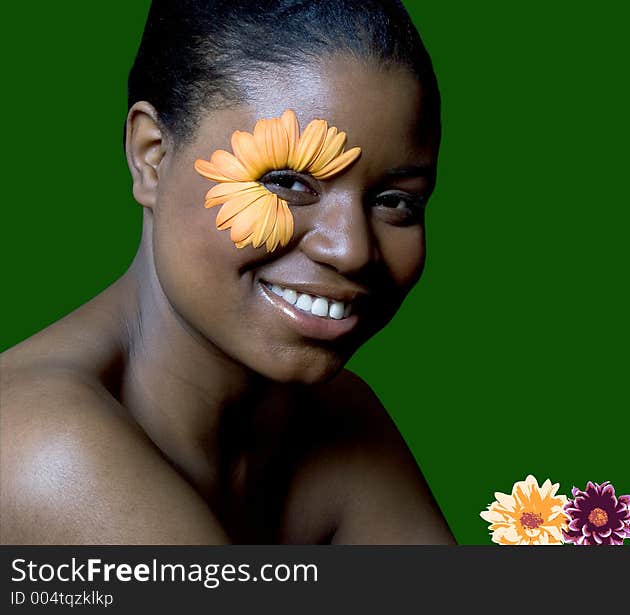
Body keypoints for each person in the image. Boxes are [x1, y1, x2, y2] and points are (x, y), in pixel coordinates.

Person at [0, 0, 454, 544]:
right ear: (151, 157)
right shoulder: (41, 447)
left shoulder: (337, 418)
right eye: (287, 182)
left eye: (396, 202)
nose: (352, 250)